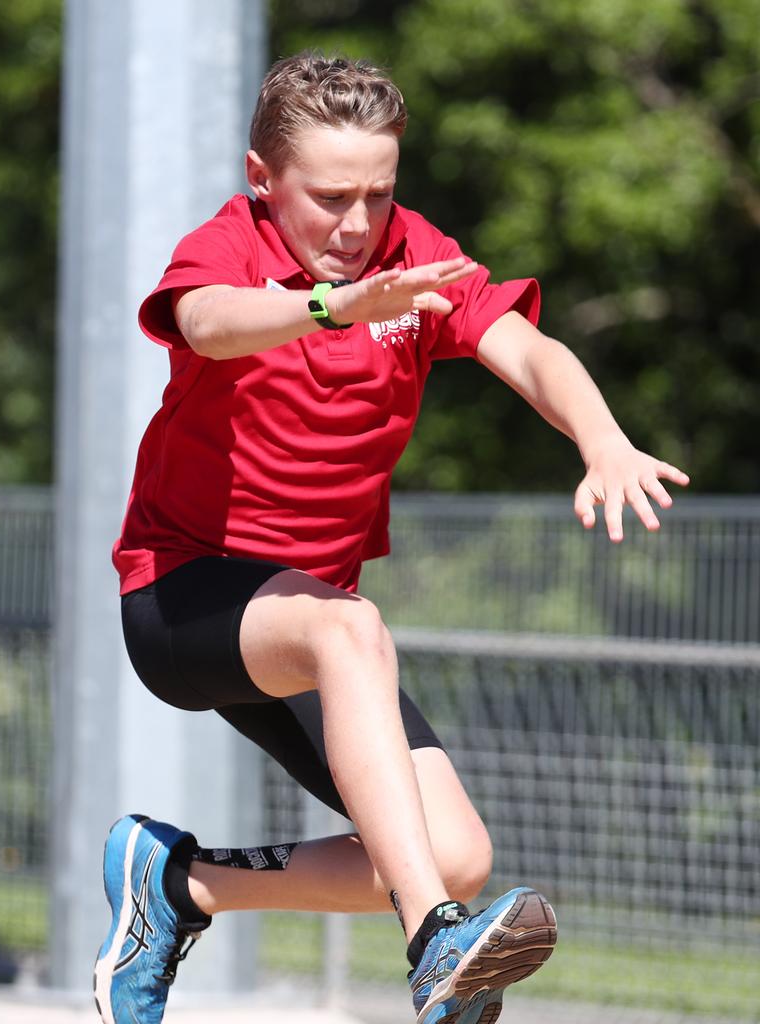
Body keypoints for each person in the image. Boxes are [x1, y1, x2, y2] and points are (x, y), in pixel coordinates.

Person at [93, 52, 689, 1024]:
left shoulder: (413, 257)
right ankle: (434, 946)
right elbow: (205, 321)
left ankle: (178, 882)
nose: (358, 224)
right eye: (330, 197)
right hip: (181, 600)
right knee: (351, 630)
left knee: (455, 851)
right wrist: (331, 305)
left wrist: (603, 437)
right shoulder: (232, 248)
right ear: (261, 180)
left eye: (378, 193)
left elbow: (525, 347)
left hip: (308, 626)